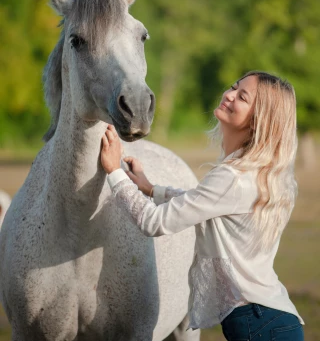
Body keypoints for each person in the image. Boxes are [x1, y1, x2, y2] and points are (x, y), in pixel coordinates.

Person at [100, 70, 304, 340]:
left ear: (258, 121)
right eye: (233, 86)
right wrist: (150, 188)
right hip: (274, 319)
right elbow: (207, 204)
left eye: (242, 97)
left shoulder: (233, 178)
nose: (229, 95)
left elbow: (154, 222)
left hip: (257, 324)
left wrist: (114, 171)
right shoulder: (258, 175)